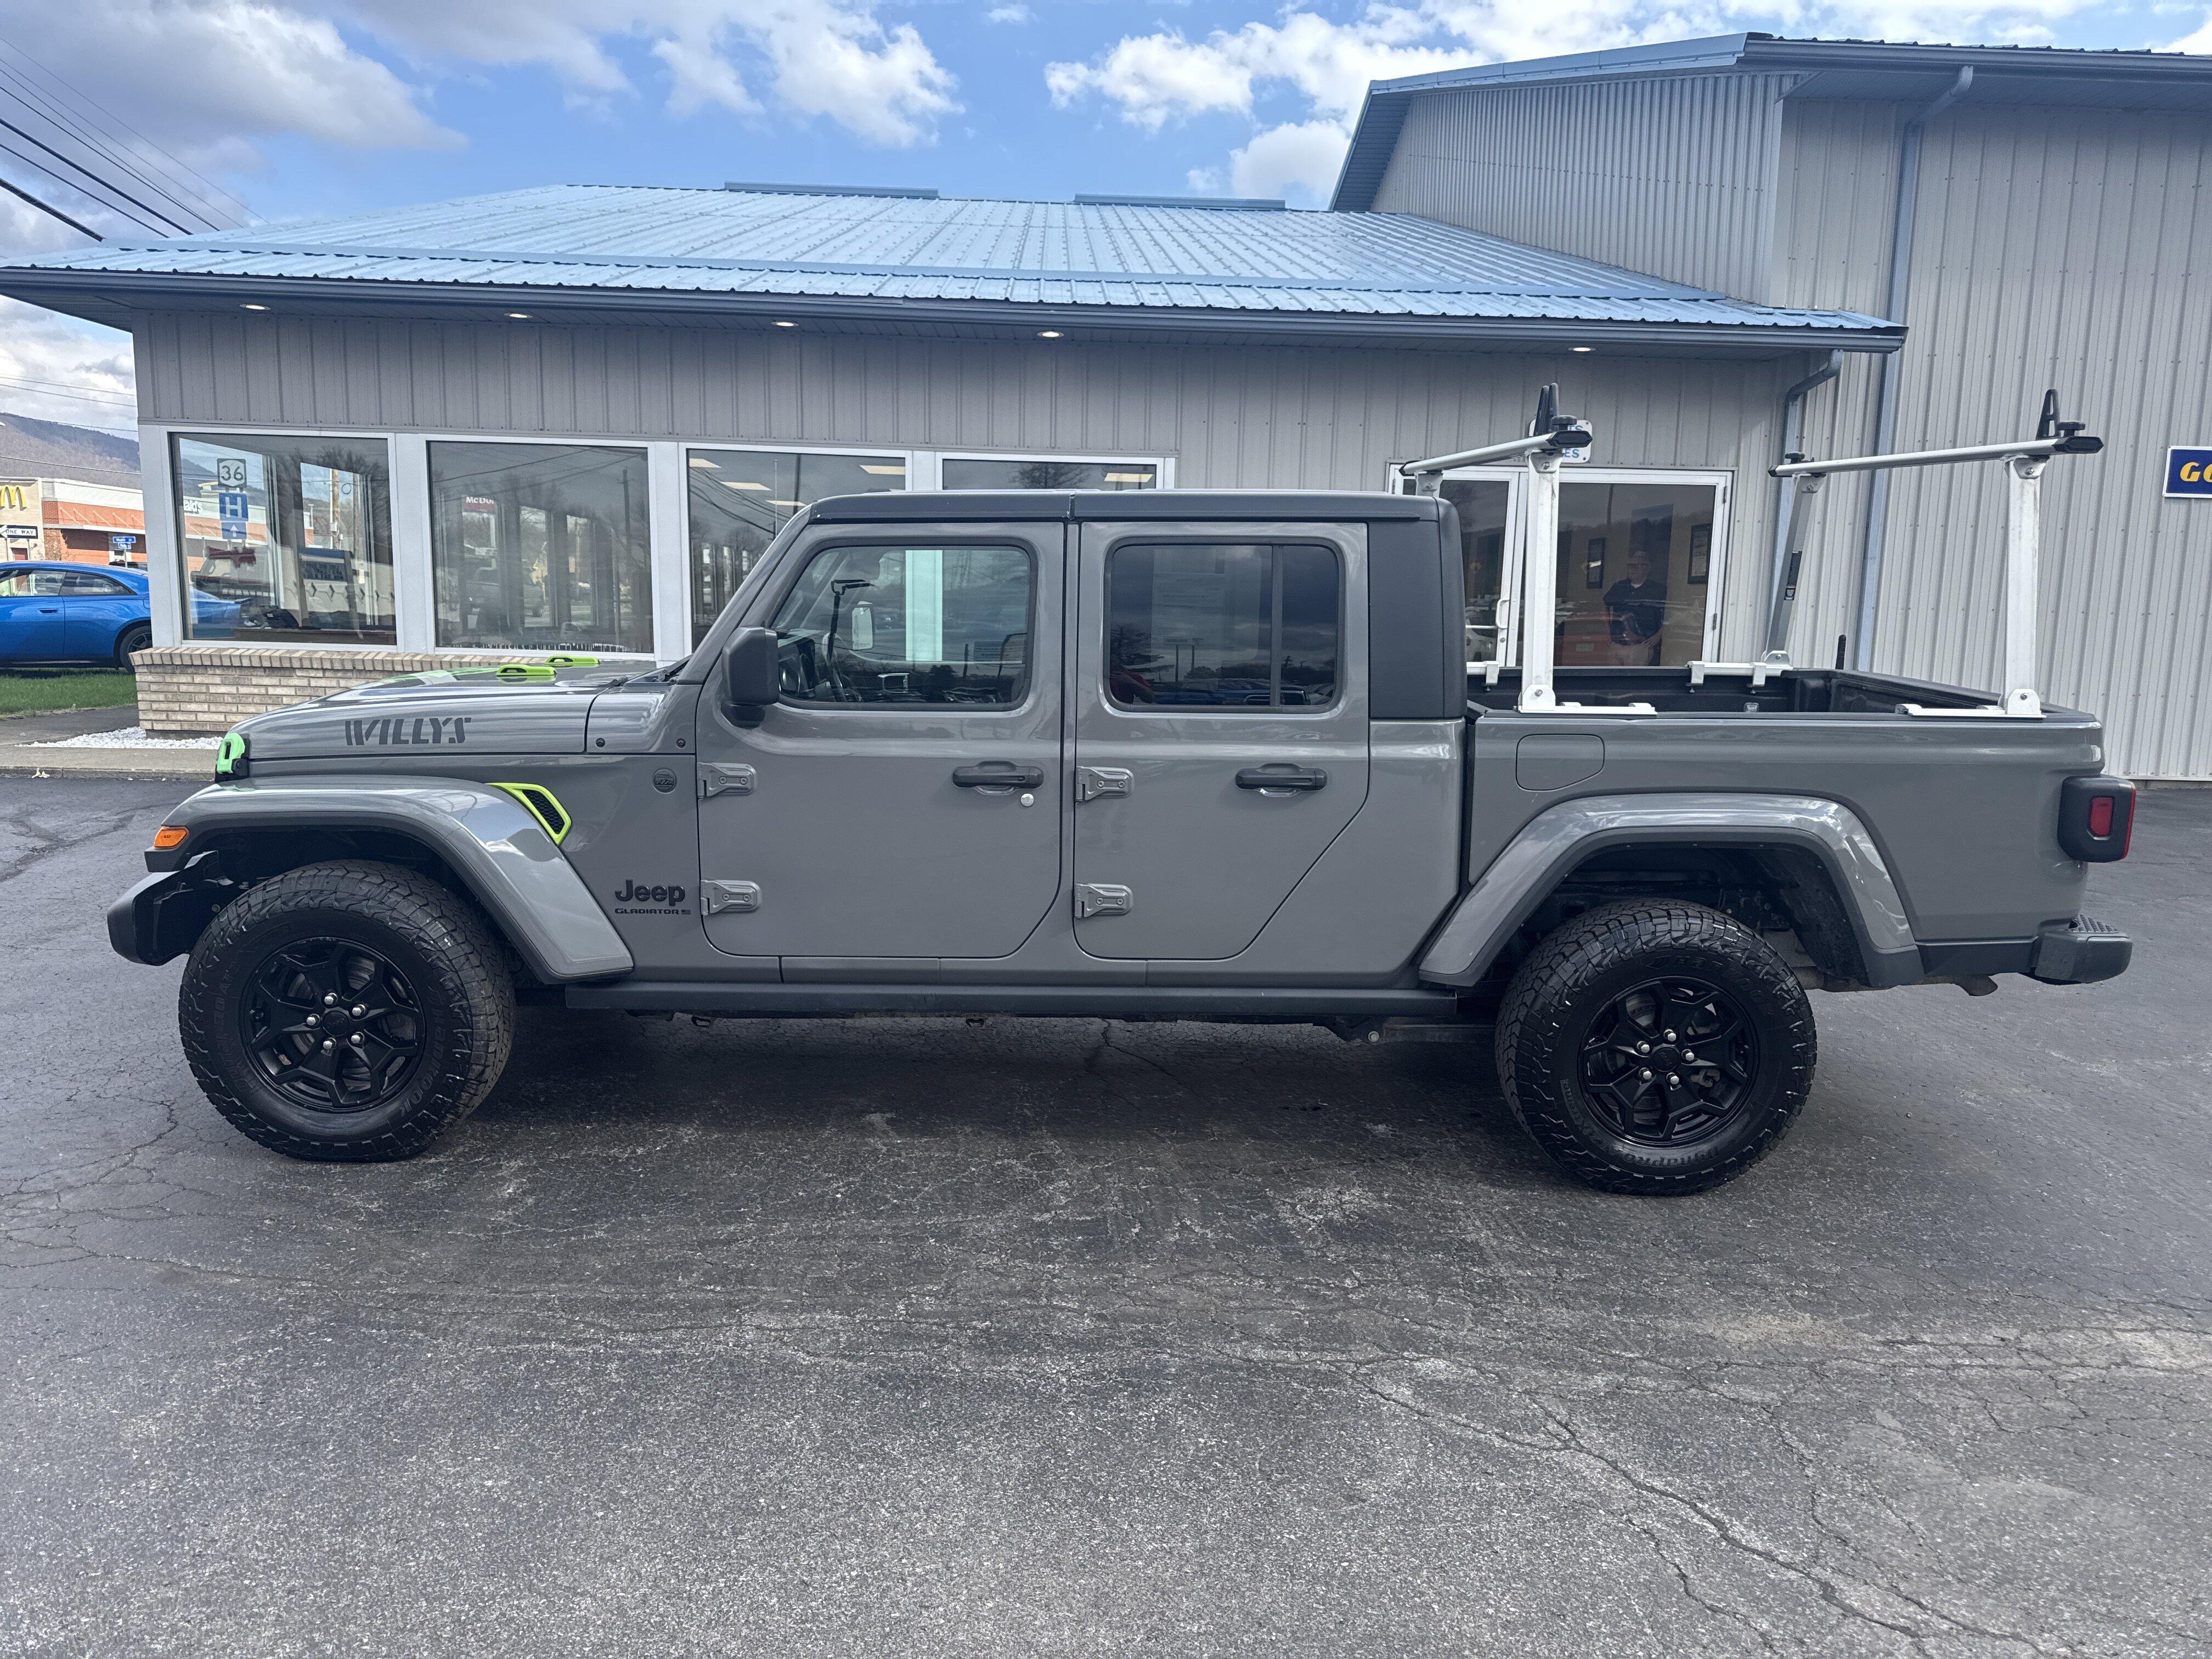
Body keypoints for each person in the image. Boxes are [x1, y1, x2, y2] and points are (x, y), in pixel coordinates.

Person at [1602, 551, 1668, 665]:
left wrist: (1658, 636)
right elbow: (1604, 604)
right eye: (1630, 566)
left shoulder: (1657, 590)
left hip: (1640, 645)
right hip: (1616, 643)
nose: (1632, 569)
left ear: (1647, 568)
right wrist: (1607, 631)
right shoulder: (1620, 586)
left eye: (1636, 566)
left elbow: (1670, 613)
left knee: (1631, 681)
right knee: (1612, 681)